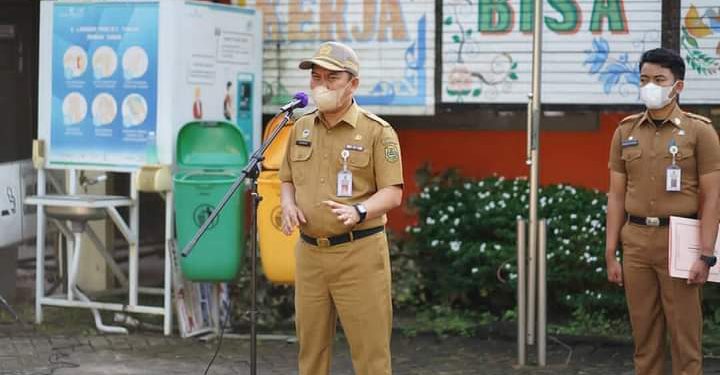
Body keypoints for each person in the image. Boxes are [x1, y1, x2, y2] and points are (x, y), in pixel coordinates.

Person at [279, 41, 403, 375]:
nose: (320, 85)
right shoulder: (301, 127)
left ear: (353, 84)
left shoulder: (378, 131)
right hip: (310, 254)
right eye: (316, 77)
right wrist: (288, 203)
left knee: (370, 354)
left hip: (358, 254)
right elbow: (286, 177)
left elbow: (393, 193)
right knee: (311, 353)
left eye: (331, 77)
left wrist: (360, 211)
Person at [605, 48, 720, 375]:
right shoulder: (625, 132)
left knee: (685, 340)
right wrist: (611, 251)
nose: (650, 86)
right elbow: (615, 196)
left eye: (659, 79)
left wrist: (706, 254)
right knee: (644, 338)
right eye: (644, 79)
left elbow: (713, 197)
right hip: (637, 241)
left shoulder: (700, 132)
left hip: (680, 239)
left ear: (677, 86)